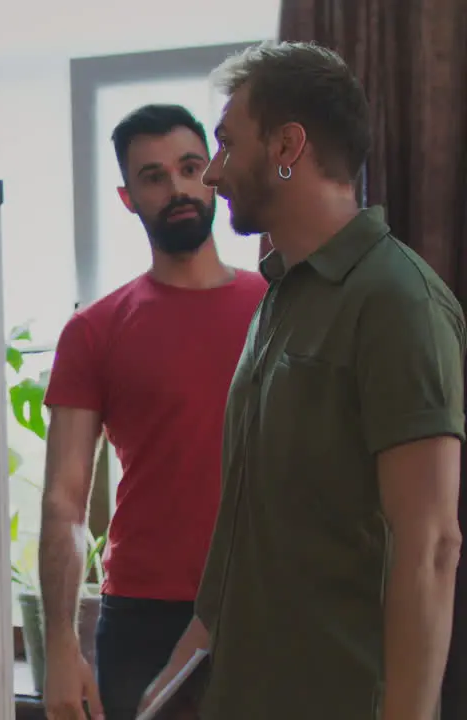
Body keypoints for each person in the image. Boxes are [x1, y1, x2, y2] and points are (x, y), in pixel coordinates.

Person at [140, 41, 465, 720]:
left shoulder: (396, 301)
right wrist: (189, 657)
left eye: (227, 145)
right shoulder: (280, 297)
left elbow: (431, 544)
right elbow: (254, 524)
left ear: (287, 145)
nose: (216, 173)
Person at [39, 104, 267, 720]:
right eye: (154, 176)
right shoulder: (94, 331)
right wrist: (59, 644)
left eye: (191, 167)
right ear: (127, 197)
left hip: (268, 605)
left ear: (213, 173)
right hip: (144, 617)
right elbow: (65, 500)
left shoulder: (280, 308)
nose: (178, 189)